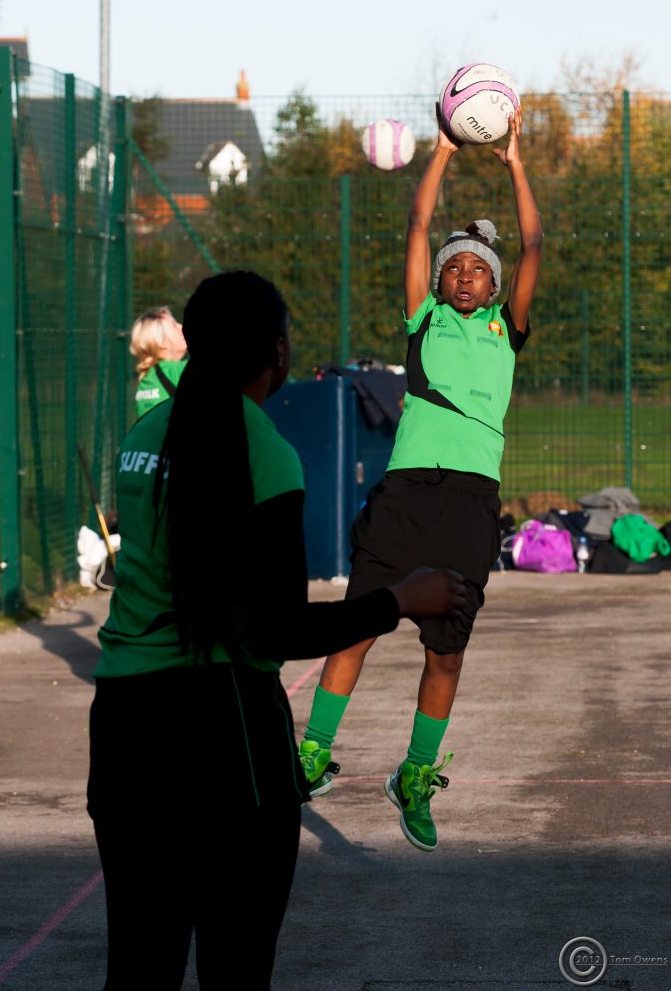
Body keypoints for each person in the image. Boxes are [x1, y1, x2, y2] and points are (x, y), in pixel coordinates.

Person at [87, 270, 466, 991]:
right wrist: (399, 600)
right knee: (236, 971)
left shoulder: (142, 434)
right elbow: (277, 629)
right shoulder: (265, 454)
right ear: (280, 353)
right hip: (223, 733)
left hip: (126, 729)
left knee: (138, 967)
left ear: (191, 344)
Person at [298, 108, 543, 852]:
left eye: (478, 269)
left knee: (446, 650)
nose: (465, 273)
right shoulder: (424, 318)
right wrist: (440, 153)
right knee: (360, 623)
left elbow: (533, 243)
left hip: (470, 500)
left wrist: (514, 162)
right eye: (454, 266)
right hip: (405, 491)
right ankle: (310, 751)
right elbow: (415, 224)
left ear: (495, 288)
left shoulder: (508, 330)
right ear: (438, 280)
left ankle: (414, 771)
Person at [129, 306, 187, 417]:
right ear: (160, 341)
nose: (181, 326)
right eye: (174, 325)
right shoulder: (174, 371)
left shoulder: (146, 379)